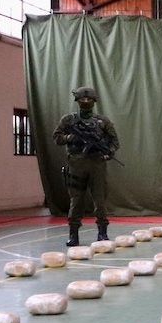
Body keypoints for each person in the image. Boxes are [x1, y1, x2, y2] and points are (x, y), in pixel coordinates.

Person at [53, 86, 120, 246]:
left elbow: (114, 142)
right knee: (76, 201)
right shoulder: (68, 120)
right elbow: (57, 137)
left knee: (100, 201)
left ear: (94, 101)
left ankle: (102, 232)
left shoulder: (103, 122)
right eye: (82, 99)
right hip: (76, 164)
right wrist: (71, 138)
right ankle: (73, 234)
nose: (85, 101)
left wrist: (108, 153)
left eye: (89, 99)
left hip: (97, 164)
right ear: (77, 101)